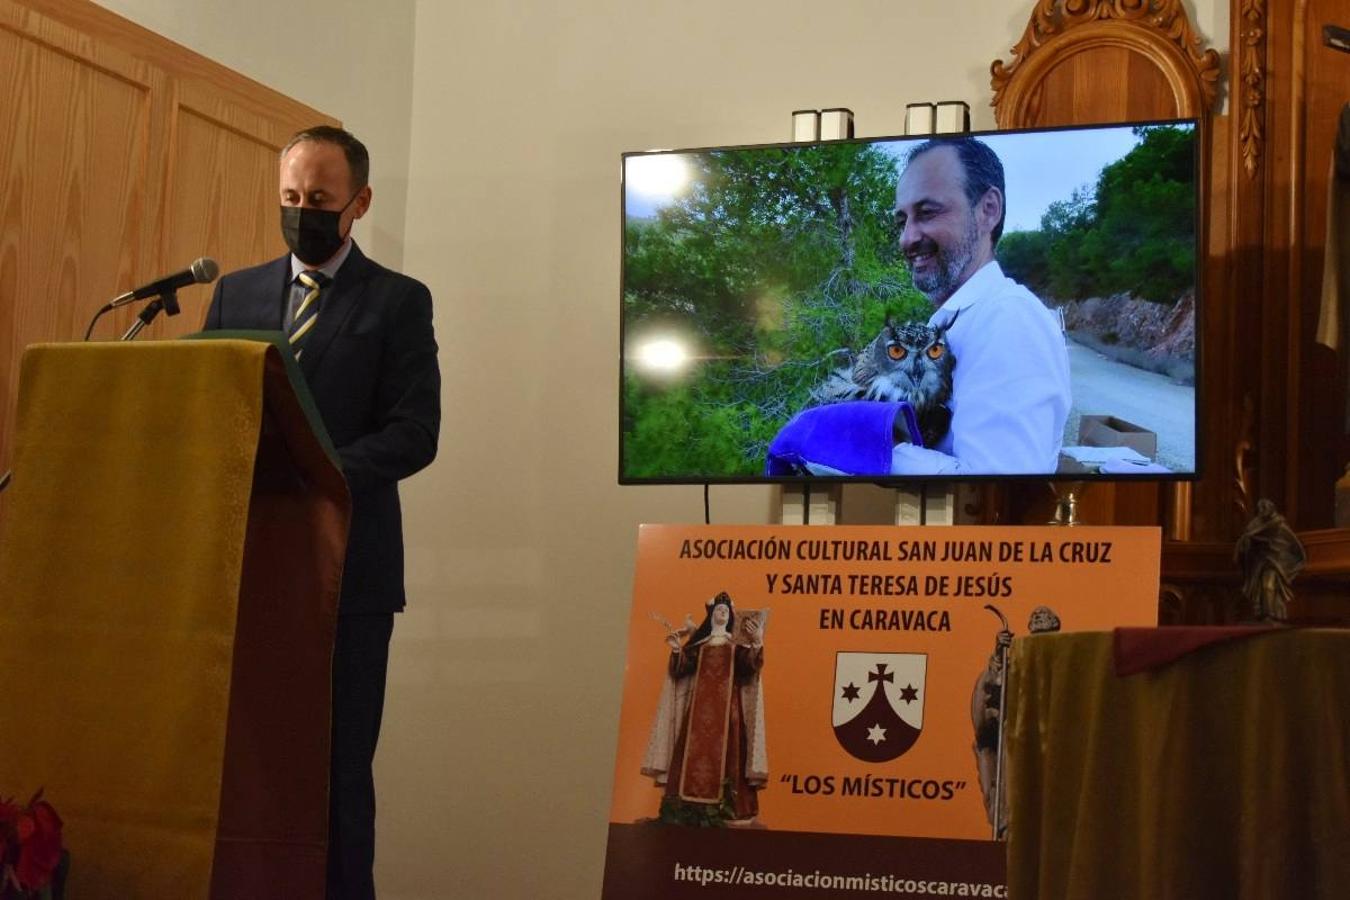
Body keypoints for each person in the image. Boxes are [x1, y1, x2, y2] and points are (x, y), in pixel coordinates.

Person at [204, 125, 440, 900]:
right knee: (244, 769)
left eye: (320, 201)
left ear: (360, 203)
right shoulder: (235, 294)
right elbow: (212, 409)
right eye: (291, 199)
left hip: (351, 580)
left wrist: (320, 468)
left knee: (338, 776)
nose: (303, 213)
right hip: (248, 573)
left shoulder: (398, 302)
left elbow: (414, 434)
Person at [765, 137, 1070, 476]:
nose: (907, 238)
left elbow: (998, 493)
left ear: (988, 210)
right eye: (902, 221)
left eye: (927, 213)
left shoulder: (1009, 319)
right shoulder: (954, 323)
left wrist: (863, 440)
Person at [640, 593, 766, 824]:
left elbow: (749, 666)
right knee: (690, 751)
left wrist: (756, 642)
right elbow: (681, 669)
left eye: (726, 612)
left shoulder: (735, 646)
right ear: (711, 615)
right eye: (718, 610)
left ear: (730, 618)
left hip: (728, 713)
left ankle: (728, 810)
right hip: (698, 713)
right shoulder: (700, 645)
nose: (722, 613)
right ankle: (687, 808)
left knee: (731, 754)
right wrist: (678, 649)